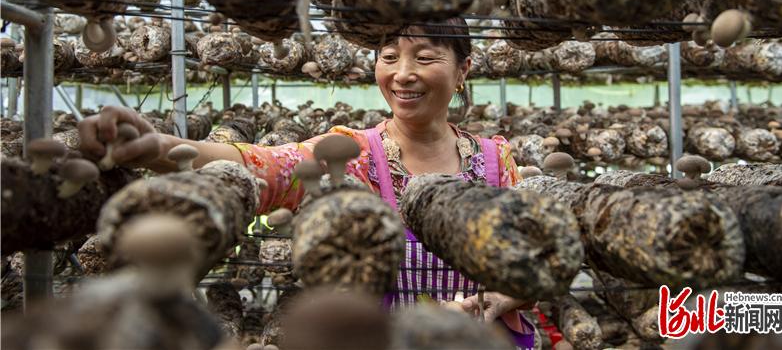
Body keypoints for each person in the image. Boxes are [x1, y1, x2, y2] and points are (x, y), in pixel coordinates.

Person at [78, 18, 543, 349]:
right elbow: (261, 166)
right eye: (388, 57)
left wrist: (491, 302)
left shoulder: (493, 159)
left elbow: (535, 264)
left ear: (463, 70)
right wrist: (155, 145)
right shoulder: (353, 153)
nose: (402, 73)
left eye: (424, 57)